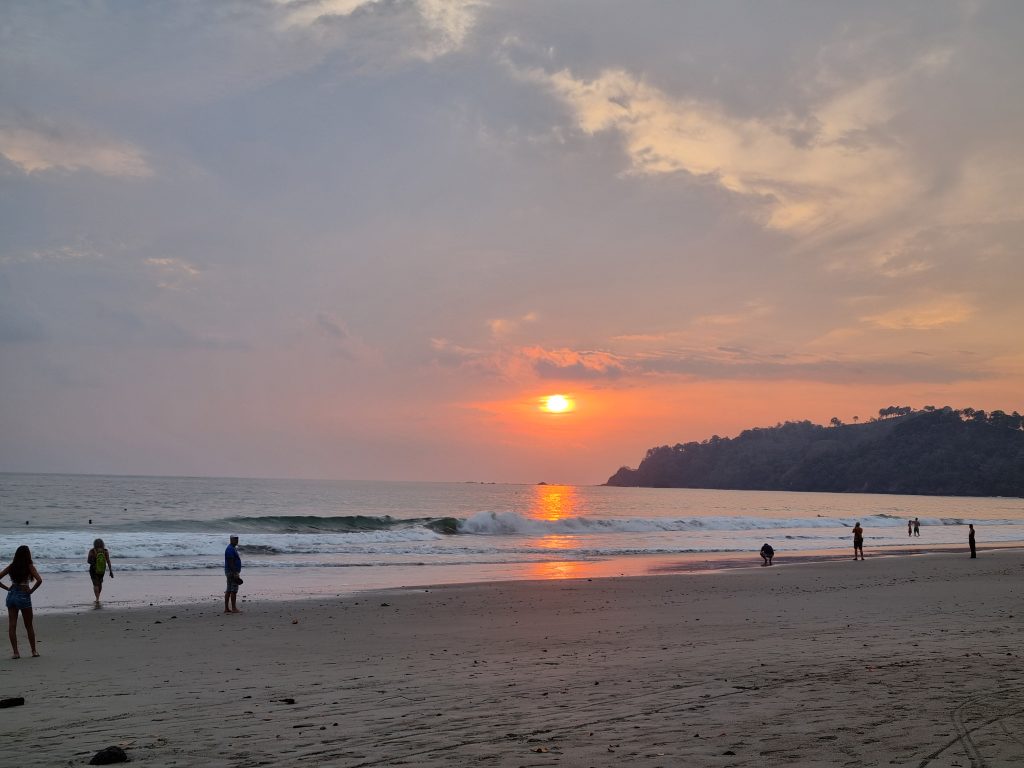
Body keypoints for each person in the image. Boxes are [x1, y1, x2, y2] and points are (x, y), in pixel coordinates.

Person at [0, 545, 43, 659]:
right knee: (28, 625)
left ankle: (15, 652)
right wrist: (31, 591)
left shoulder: (11, 566)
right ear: (27, 555)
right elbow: (39, 580)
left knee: (12, 625)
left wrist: (7, 588)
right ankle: (33, 651)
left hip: (12, 594)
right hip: (23, 595)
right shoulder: (29, 566)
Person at [87, 538, 114, 605]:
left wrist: (94, 563)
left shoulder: (92, 551)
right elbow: (108, 561)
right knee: (100, 583)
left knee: (95, 584)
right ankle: (98, 597)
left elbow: (88, 561)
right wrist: (110, 571)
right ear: (103, 544)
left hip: (93, 569)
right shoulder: (105, 551)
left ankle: (97, 599)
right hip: (102, 570)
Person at [224, 535, 242, 614]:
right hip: (232, 572)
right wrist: (235, 573)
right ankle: (233, 608)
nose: (236, 541)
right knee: (233, 590)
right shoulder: (230, 549)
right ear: (231, 540)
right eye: (235, 539)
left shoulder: (232, 548)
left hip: (230, 571)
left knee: (229, 590)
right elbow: (230, 562)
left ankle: (227, 608)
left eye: (237, 539)